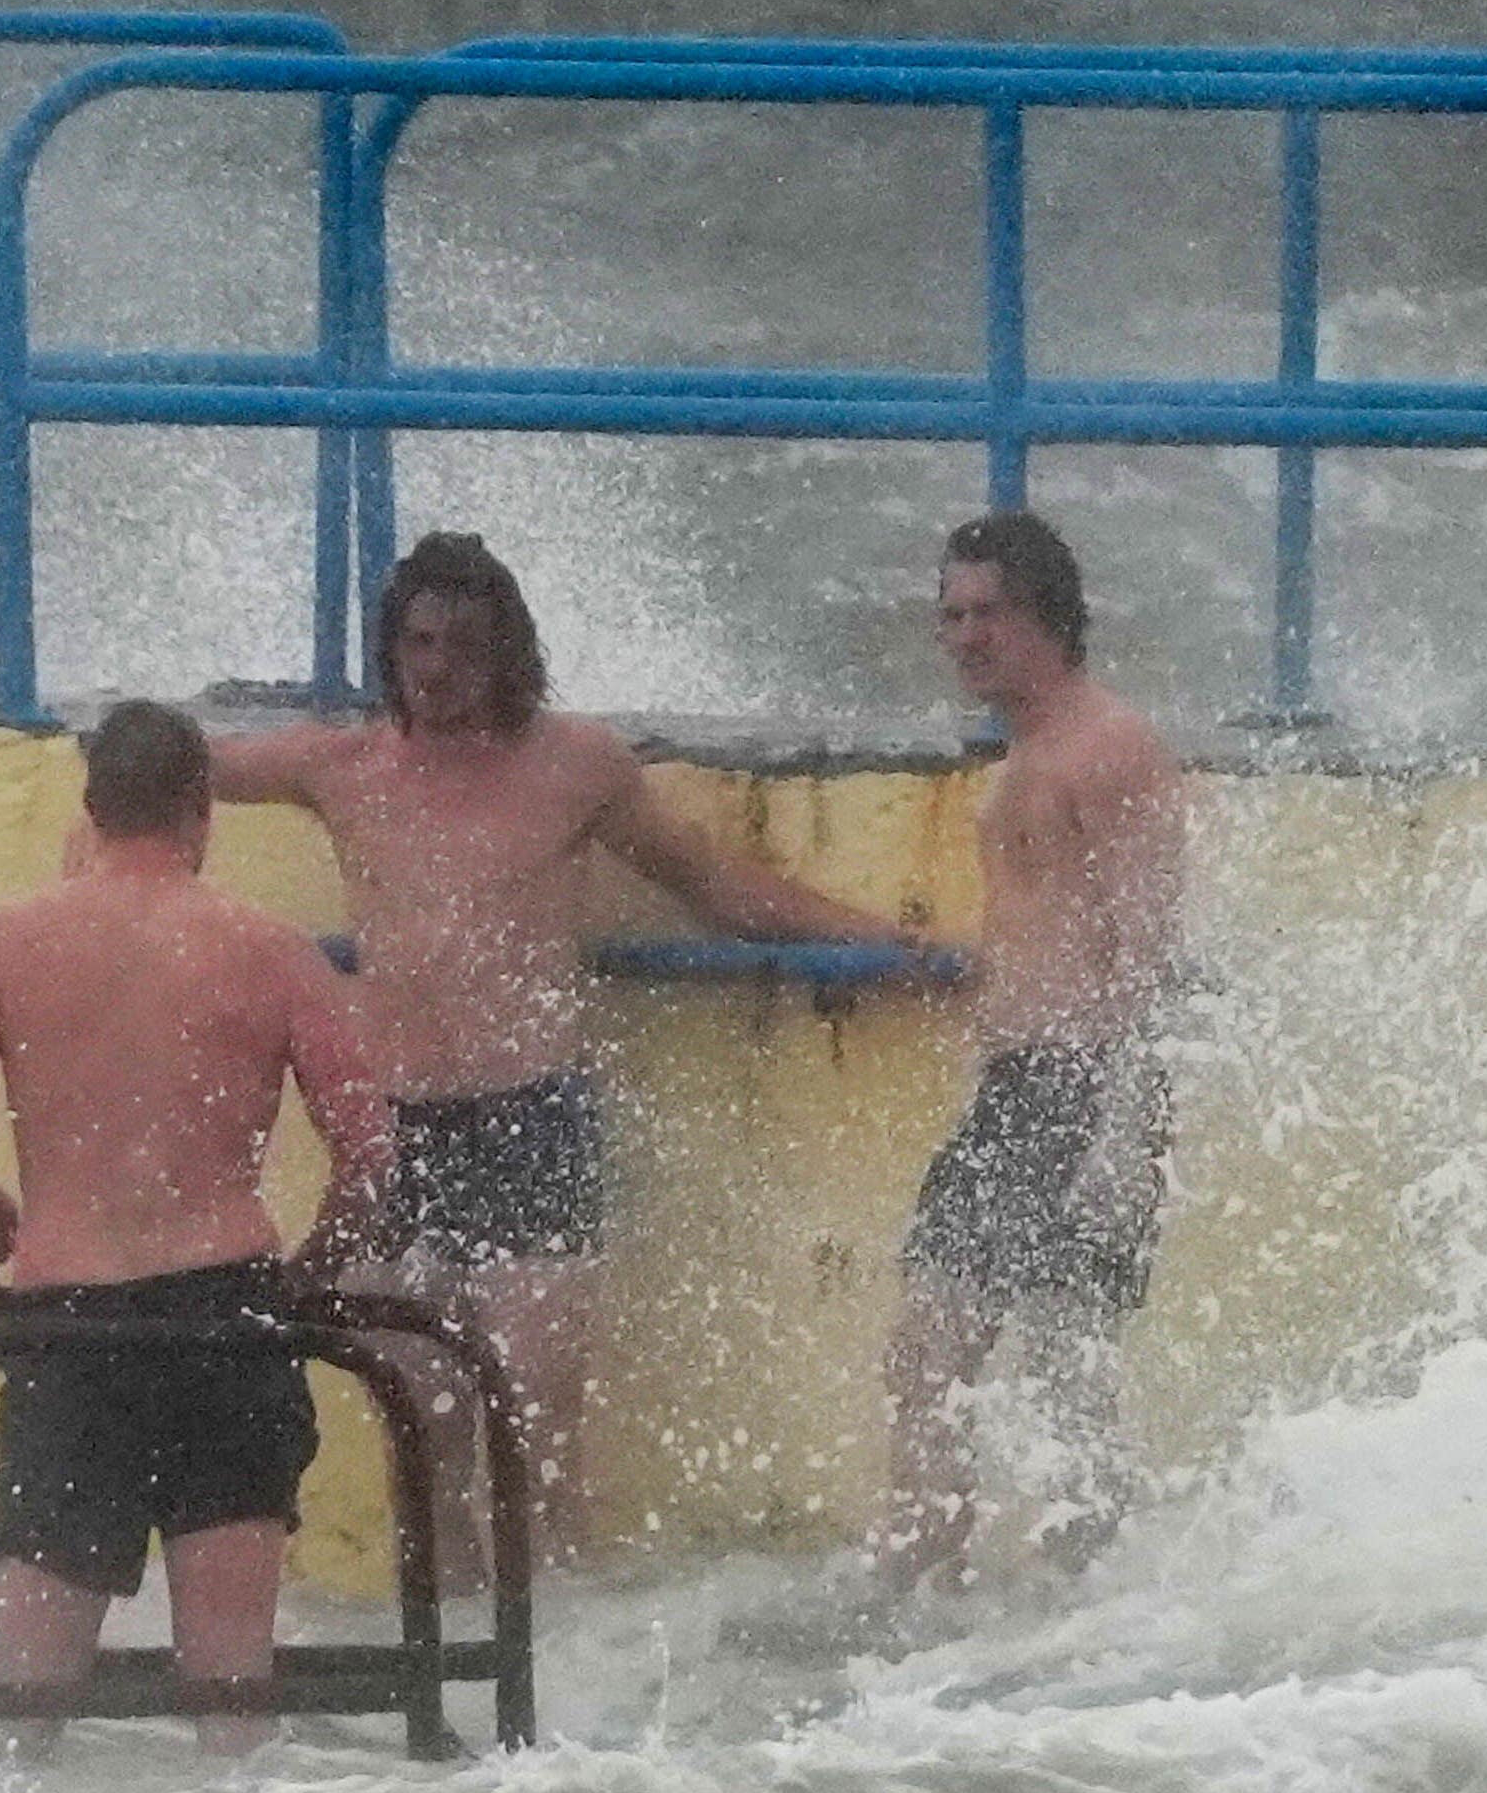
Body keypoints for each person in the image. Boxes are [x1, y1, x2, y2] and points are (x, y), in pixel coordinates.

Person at [203, 531, 924, 1565]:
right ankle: (440, 1671)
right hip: (397, 1130)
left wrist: (857, 937)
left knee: (533, 1426)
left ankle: (564, 1692)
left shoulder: (571, 764)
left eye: (462, 646)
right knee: (424, 1421)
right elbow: (175, 769)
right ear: (389, 647)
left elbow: (709, 884)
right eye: (418, 644)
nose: (438, 670)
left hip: (528, 1114)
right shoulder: (340, 764)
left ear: (506, 650)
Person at [0, 697, 397, 1737]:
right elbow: (372, 1157)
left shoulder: (12, 941)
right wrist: (311, 1275)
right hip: (226, 1315)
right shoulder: (268, 947)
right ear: (200, 810)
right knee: (230, 1692)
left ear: (91, 807)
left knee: (27, 1700)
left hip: (72, 1323)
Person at [876, 510, 1188, 1588]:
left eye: (986, 613)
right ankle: (1025, 1600)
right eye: (949, 615)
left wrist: (1125, 1132)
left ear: (1048, 616)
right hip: (1034, 1085)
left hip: (1075, 1089)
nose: (962, 636)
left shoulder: (1107, 747)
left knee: (954, 1357)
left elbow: (1152, 950)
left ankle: (927, 1590)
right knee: (1023, 1369)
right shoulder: (1037, 751)